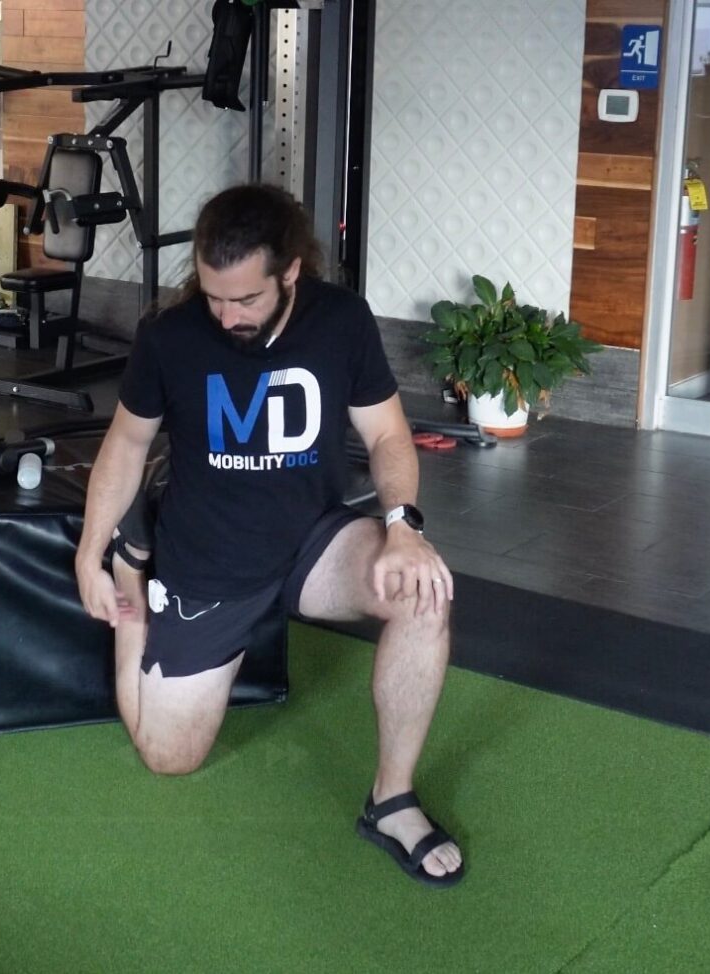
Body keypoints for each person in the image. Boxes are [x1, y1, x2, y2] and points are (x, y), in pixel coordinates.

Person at [75, 184, 464, 887]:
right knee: (168, 758)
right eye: (214, 295)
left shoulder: (341, 320)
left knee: (423, 594)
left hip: (312, 543)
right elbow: (126, 446)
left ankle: (392, 800)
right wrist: (92, 554)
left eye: (245, 300)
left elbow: (386, 434)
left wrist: (404, 527)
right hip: (208, 565)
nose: (226, 316)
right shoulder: (171, 335)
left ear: (290, 273)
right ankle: (138, 569)